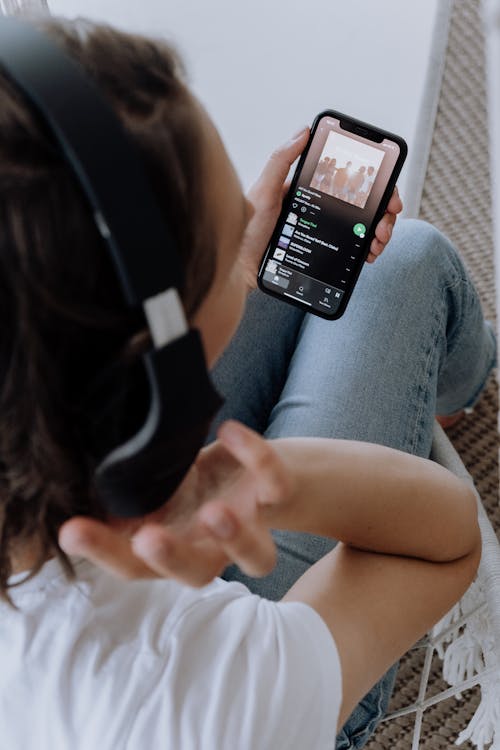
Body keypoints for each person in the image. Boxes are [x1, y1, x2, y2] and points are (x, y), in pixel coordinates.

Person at [0, 17, 496, 750]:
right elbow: (444, 542)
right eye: (234, 228)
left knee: (360, 273)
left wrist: (230, 271)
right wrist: (269, 484)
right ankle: (447, 400)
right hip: (264, 646)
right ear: (154, 396)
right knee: (405, 263)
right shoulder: (206, 703)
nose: (248, 241)